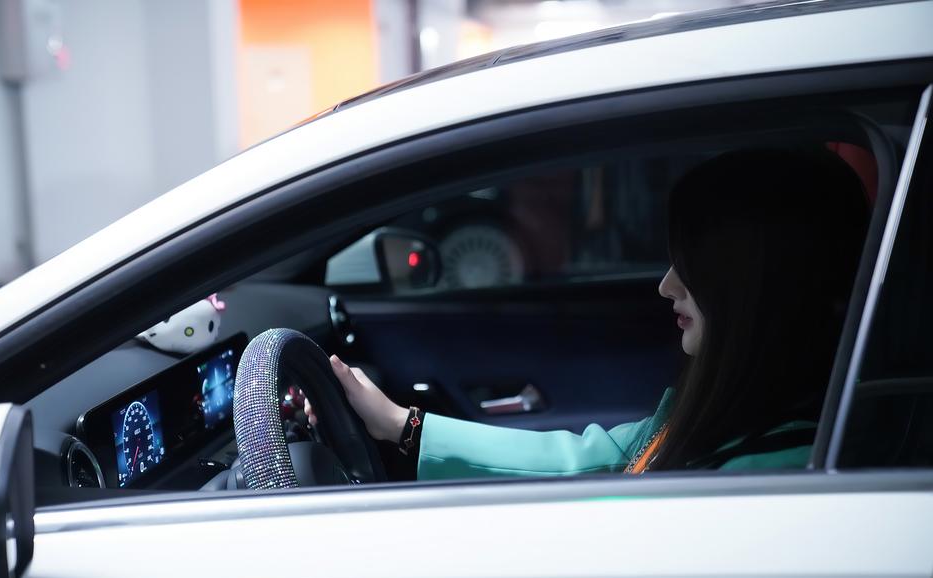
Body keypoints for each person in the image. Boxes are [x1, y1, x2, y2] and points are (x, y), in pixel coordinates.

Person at [306, 148, 871, 479]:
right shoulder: (740, 416)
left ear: (751, 284)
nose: (666, 286)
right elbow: (592, 458)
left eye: (691, 266)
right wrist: (400, 425)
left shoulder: (780, 467)